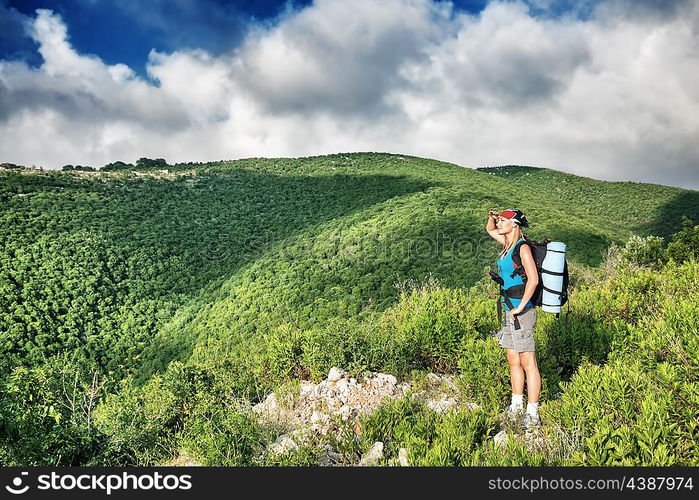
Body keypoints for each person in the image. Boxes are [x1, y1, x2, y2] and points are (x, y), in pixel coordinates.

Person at [486, 208, 541, 429]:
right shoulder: (507, 245)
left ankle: (533, 412)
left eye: (504, 220)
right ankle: (516, 405)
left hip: (522, 312)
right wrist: (493, 217)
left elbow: (534, 280)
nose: (499, 223)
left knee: (529, 363)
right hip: (510, 311)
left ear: (515, 225)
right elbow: (489, 229)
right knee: (513, 360)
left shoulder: (522, 247)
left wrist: (520, 306)